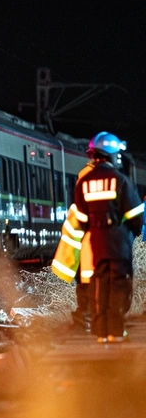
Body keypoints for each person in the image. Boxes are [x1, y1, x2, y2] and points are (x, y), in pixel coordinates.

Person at [73, 131, 144, 343]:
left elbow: (80, 217)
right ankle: (116, 331)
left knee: (99, 284)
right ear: (112, 154)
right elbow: (135, 215)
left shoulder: (83, 182)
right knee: (119, 284)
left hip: (95, 241)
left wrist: (93, 230)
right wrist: (134, 232)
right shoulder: (119, 179)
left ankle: (101, 332)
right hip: (119, 242)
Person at [51, 158, 95, 330]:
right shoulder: (118, 183)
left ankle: (87, 317)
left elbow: (71, 233)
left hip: (85, 256)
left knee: (86, 286)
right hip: (111, 250)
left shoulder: (77, 209)